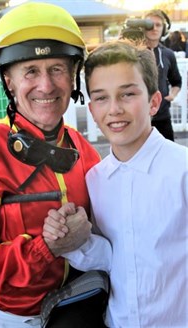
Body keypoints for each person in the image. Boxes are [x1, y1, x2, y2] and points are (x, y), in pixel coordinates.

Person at [0, 2, 108, 327]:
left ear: (73, 78)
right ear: (8, 81)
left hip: (73, 310)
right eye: (30, 71)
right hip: (2, 318)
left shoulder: (87, 153)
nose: (46, 85)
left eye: (57, 68)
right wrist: (45, 248)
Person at [43, 39, 188, 327]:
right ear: (93, 111)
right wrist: (69, 241)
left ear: (154, 101)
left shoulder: (182, 169)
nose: (114, 109)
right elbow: (113, 257)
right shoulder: (96, 179)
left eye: (127, 94)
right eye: (101, 97)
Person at [143, 10, 182, 141]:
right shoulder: (133, 53)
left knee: (168, 157)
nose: (154, 28)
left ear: (164, 29)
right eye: (150, 24)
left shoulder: (168, 54)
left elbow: (176, 81)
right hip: (139, 117)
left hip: (163, 116)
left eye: (158, 25)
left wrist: (172, 95)